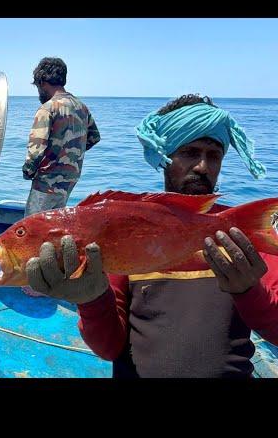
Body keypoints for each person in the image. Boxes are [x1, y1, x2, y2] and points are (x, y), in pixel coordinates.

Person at [26, 94, 278, 378]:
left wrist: (248, 291)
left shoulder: (239, 230)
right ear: (165, 156)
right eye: (190, 152)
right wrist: (92, 299)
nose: (203, 167)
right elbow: (110, 347)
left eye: (214, 155)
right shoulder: (126, 223)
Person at [21, 57, 100, 296]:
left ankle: (37, 284)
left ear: (44, 81)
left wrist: (28, 171)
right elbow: (94, 138)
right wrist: (70, 155)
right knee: (55, 230)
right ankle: (52, 279)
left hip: (46, 183)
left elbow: (36, 149)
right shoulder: (81, 107)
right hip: (69, 181)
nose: (38, 92)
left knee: (35, 231)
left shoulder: (48, 108)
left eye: (37, 86)